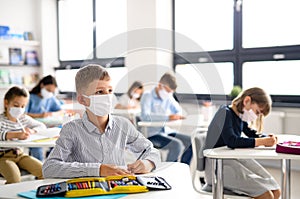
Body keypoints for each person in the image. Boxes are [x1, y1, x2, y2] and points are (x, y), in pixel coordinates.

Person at [42, 64, 161, 178]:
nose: (107, 97)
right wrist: (98, 170)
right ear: (82, 100)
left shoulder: (123, 125)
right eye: (99, 92)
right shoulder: (72, 130)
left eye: (110, 91)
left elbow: (151, 150)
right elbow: (49, 168)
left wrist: (148, 163)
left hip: (120, 190)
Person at [203, 87, 281, 199]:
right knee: (267, 196)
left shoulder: (239, 117)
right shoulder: (225, 113)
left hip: (232, 159)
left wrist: (266, 138)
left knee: (276, 191)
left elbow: (251, 133)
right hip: (217, 166)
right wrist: (261, 141)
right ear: (247, 101)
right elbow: (232, 141)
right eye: (257, 112)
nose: (256, 116)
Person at [140, 72, 193, 165]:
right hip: (152, 134)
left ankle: (182, 168)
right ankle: (168, 172)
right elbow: (145, 116)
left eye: (170, 92)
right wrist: (167, 117)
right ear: (160, 85)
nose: (168, 94)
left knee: (190, 141)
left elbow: (180, 111)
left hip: (166, 131)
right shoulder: (147, 96)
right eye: (167, 91)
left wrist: (177, 115)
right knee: (177, 145)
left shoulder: (168, 97)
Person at [0, 86, 45, 184]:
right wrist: (16, 134)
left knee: (45, 172)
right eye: (16, 105)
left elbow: (41, 126)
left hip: (20, 155)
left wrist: (32, 131)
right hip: (3, 157)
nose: (19, 109)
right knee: (15, 179)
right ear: (6, 103)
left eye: (23, 106)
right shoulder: (1, 120)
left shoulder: (24, 119)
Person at [25, 75, 63, 161]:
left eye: (52, 91)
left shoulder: (50, 98)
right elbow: (23, 114)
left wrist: (51, 113)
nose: (50, 93)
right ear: (42, 85)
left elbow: (60, 111)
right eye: (48, 90)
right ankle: (38, 166)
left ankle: (52, 158)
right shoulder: (30, 97)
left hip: (48, 127)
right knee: (37, 150)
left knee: (61, 139)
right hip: (34, 128)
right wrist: (40, 115)